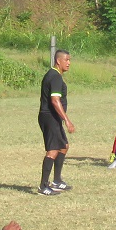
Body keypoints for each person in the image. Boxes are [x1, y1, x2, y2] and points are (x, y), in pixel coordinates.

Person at [37, 49, 76, 195]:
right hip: (49, 117)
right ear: (58, 61)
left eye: (69, 60)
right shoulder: (55, 77)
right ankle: (43, 186)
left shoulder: (54, 75)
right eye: (66, 60)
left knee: (64, 146)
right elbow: (55, 100)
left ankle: (57, 181)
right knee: (52, 150)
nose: (69, 63)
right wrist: (67, 120)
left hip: (53, 118)